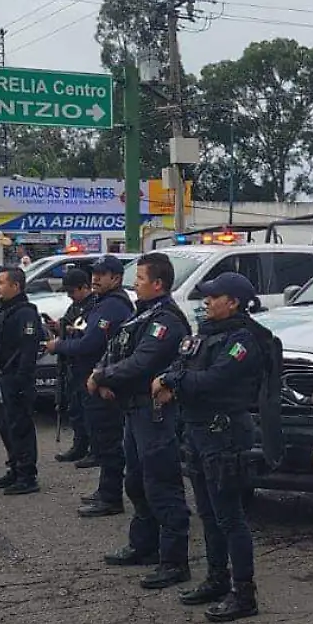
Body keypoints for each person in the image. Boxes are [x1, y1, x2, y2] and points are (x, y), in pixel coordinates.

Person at [156, 272, 279, 623]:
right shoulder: (205, 336)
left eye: (214, 297)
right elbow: (182, 366)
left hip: (224, 433)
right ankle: (216, 578)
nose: (206, 302)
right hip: (197, 432)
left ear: (234, 302)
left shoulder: (243, 341)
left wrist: (170, 382)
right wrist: (175, 378)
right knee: (208, 513)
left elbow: (214, 379)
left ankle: (244, 593)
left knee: (229, 517)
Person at [88, 252, 192, 588]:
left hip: (155, 413)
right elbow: (117, 347)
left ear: (158, 284)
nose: (136, 284)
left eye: (141, 279)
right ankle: (143, 545)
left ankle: (175, 561)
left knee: (161, 483)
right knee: (135, 481)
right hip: (133, 410)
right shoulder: (142, 314)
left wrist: (104, 376)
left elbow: (142, 362)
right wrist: (103, 374)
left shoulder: (167, 321)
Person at [66, 256, 135, 518]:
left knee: (108, 440)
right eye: (94, 273)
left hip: (104, 380)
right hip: (93, 377)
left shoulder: (113, 307)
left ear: (115, 278)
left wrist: (59, 346)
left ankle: (111, 497)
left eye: (102, 274)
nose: (95, 278)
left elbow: (90, 344)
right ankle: (105, 490)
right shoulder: (101, 303)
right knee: (101, 437)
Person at [0, 267, 46, 496]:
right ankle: (14, 468)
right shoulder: (4, 310)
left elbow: (28, 350)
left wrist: (21, 381)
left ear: (15, 286)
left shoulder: (26, 313)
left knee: (20, 427)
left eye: (1, 283)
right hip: (1, 376)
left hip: (16, 379)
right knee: (5, 425)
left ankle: (27, 475)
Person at [49, 268, 94, 464]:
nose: (69, 295)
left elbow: (86, 335)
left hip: (87, 365)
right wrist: (58, 327)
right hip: (71, 365)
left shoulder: (94, 306)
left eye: (72, 291)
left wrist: (67, 333)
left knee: (89, 410)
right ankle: (79, 446)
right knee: (75, 408)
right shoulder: (75, 306)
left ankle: (94, 449)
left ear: (85, 287)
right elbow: (70, 323)